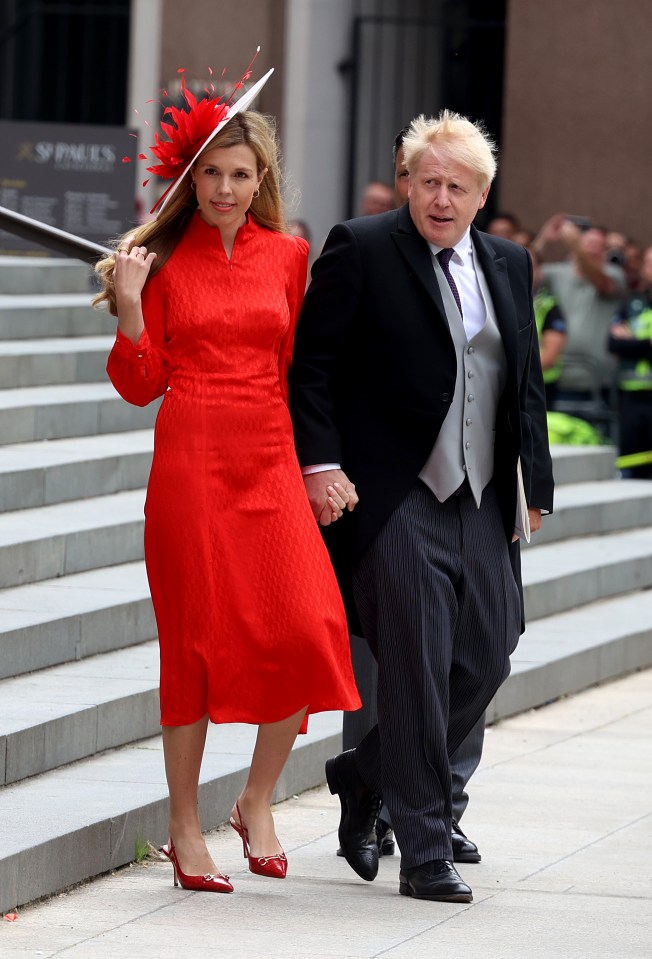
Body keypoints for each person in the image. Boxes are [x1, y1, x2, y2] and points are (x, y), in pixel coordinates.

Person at [94, 67, 360, 895]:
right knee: (196, 643)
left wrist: (316, 466)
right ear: (190, 179)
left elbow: (295, 369)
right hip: (192, 457)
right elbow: (141, 383)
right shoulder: (158, 259)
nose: (225, 187)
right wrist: (133, 305)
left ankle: (254, 798)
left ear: (262, 180)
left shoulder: (289, 255)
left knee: (311, 624)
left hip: (270, 453)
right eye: (211, 172)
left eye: (241, 173)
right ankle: (181, 825)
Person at [289, 110, 553, 903]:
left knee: (490, 648)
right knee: (415, 660)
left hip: (480, 492)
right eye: (428, 181)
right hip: (394, 490)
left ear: (482, 195)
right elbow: (314, 368)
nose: (440, 198)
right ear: (407, 181)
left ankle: (362, 775)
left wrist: (532, 486)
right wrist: (323, 464)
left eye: (458, 186)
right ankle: (425, 846)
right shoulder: (363, 247)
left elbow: (523, 385)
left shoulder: (510, 262)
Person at [531, 214, 626, 404]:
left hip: (598, 381)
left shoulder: (614, 274)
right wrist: (543, 240)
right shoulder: (558, 272)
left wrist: (576, 247)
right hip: (556, 377)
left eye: (598, 244)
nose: (593, 248)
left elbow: (601, 282)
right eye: (588, 242)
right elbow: (521, 272)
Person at [608, 243, 652, 479]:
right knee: (631, 464)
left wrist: (632, 341)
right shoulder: (632, 304)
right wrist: (646, 344)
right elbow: (613, 344)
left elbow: (624, 344)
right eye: (649, 263)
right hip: (631, 396)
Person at [530, 247, 568, 409]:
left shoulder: (548, 306)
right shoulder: (495, 301)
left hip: (539, 386)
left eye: (530, 266)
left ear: (539, 272)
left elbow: (549, 356)